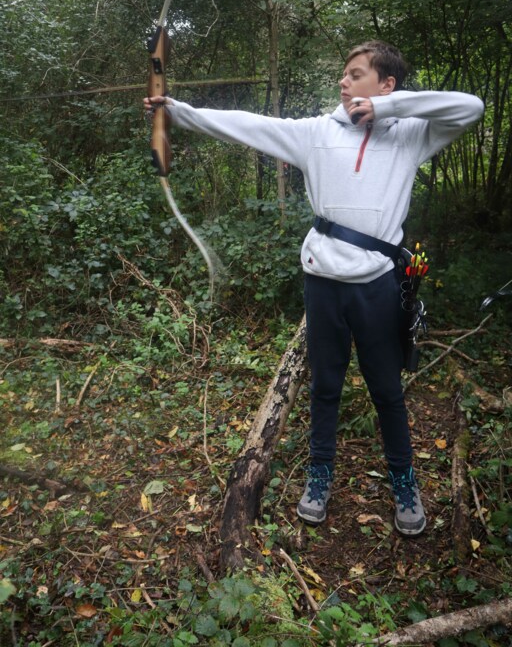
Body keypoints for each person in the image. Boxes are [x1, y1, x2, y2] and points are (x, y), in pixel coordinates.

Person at [144, 40, 484, 536]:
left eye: (356, 74)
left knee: (387, 390)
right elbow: (248, 125)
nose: (344, 81)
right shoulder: (316, 133)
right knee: (325, 386)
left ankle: (404, 481)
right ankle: (319, 474)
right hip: (323, 284)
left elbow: (470, 107)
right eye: (344, 74)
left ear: (386, 84)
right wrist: (176, 112)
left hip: (378, 286)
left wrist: (389, 109)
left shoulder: (412, 134)